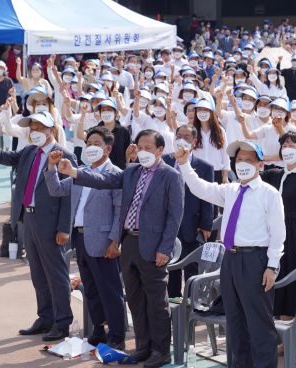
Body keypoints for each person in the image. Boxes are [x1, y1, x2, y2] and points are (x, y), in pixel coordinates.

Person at [57, 129, 184, 367]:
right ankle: (143, 347)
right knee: (135, 299)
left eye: (149, 147)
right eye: (140, 146)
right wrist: (73, 172)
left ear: (159, 150)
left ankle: (161, 350)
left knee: (156, 302)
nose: (144, 151)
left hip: (153, 245)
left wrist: (165, 248)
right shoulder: (131, 171)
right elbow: (104, 180)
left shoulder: (170, 175)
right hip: (130, 243)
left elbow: (175, 216)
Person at [176, 140, 285, 367]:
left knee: (259, 324)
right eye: (239, 160)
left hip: (256, 259)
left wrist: (272, 266)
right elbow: (201, 188)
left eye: (249, 160)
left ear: (261, 165)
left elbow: (278, 234)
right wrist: (185, 164)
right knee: (234, 321)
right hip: (230, 259)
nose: (242, 164)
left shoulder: (269, 193)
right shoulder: (231, 190)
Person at [0, 112, 75, 341]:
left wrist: (64, 227)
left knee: (56, 274)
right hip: (29, 218)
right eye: (32, 127)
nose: (35, 130)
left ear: (51, 130)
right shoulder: (29, 151)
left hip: (51, 223)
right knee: (37, 272)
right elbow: (2, 157)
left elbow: (69, 195)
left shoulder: (64, 155)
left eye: (40, 126)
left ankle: (62, 321)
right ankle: (45, 317)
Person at [44, 126, 126, 349]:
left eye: (96, 144)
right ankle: (98, 331)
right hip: (80, 239)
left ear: (107, 149)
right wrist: (51, 167)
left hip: (103, 241)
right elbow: (56, 189)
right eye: (88, 143)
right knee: (90, 288)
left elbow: (120, 211)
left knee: (110, 290)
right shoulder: (79, 171)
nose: (91, 147)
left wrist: (114, 240)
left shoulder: (115, 174)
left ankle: (117, 335)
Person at [260, 132, 296, 358]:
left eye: (292, 144)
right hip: (277, 237)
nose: (287, 148)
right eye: (284, 144)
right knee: (282, 290)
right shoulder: (275, 175)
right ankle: (288, 341)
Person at [161, 125, 213, 298]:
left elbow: (207, 198)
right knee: (170, 267)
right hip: (167, 223)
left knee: (191, 267)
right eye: (179, 136)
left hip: (192, 224)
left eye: (187, 137)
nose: (182, 140)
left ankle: (191, 305)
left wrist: (206, 224)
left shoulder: (205, 167)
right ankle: (173, 305)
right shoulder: (164, 161)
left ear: (195, 141)